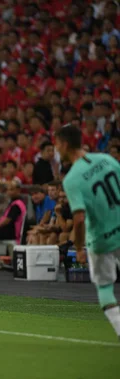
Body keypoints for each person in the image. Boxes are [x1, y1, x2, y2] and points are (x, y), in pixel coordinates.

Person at [55, 125, 120, 340]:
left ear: (64, 144)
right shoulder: (107, 160)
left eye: (57, 144)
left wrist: (79, 247)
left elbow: (80, 218)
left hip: (102, 239)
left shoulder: (72, 179)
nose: (57, 149)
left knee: (105, 289)